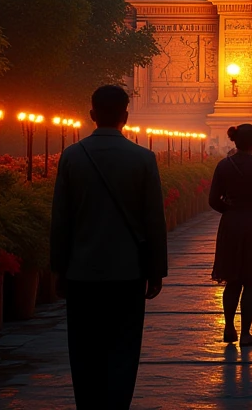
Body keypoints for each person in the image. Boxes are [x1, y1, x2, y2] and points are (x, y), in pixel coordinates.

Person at [50, 85, 168, 410]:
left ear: (92, 114)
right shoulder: (143, 158)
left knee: (84, 347)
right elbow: (154, 221)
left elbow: (60, 219)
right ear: (126, 117)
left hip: (82, 271)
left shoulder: (72, 156)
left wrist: (58, 269)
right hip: (128, 271)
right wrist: (156, 271)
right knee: (124, 347)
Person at [209, 123, 252, 347]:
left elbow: (212, 200)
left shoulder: (223, 166)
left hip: (231, 225)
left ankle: (229, 327)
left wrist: (230, 211)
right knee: (251, 281)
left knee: (232, 280)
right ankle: (246, 332)